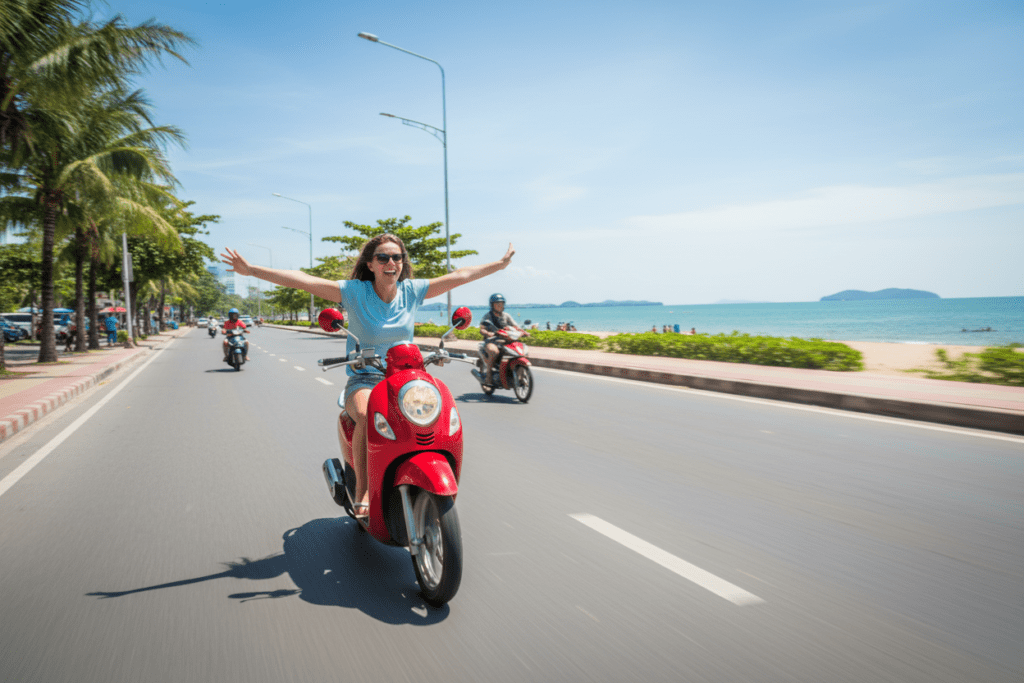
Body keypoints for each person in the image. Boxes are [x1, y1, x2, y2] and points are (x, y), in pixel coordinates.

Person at [219, 236, 515, 520]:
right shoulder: (355, 292)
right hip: (365, 379)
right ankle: (362, 490)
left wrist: (498, 266)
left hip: (408, 379)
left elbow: (460, 275)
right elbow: (303, 279)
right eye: (383, 257)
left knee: (440, 411)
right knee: (364, 413)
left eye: (397, 257)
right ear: (371, 264)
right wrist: (251, 271)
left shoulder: (411, 291)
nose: (391, 262)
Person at [479, 293, 529, 389]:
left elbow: (515, 326)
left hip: (506, 340)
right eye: (497, 304)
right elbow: (482, 328)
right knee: (494, 352)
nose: (500, 306)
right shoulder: (488, 316)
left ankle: (518, 374)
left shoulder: (506, 315)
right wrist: (488, 333)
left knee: (521, 351)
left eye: (501, 304)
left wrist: (523, 332)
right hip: (492, 341)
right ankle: (489, 376)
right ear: (492, 305)